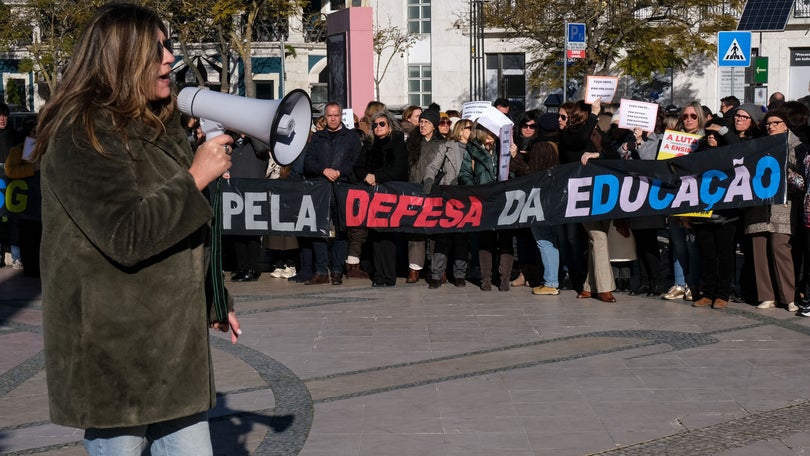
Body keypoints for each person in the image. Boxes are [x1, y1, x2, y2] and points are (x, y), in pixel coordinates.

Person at [35, 4, 241, 455]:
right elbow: (126, 235)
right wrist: (195, 178)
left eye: (167, 46)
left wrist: (212, 299)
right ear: (122, 58)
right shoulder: (81, 131)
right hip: (115, 355)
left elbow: (178, 234)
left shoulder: (157, 122)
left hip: (172, 348)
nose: (170, 57)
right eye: (158, 49)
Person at [748, 108, 802, 313]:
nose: (771, 126)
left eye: (775, 123)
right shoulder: (758, 145)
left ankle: (789, 297)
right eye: (768, 123)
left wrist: (785, 168)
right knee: (759, 249)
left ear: (786, 124)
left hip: (782, 206)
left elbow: (801, 180)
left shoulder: (797, 146)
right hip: (758, 207)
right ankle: (767, 295)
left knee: (780, 248)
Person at [303, 101, 361, 285]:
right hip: (321, 188)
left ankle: (337, 271)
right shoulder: (318, 137)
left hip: (342, 187)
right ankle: (321, 271)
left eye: (336, 115)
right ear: (325, 116)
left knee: (341, 230)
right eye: (329, 115)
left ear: (341, 116)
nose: (333, 118)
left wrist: (340, 171)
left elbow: (356, 161)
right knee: (318, 229)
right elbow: (308, 162)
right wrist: (323, 170)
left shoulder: (351, 137)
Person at [458, 122, 516, 291]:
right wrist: (476, 189)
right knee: (486, 241)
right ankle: (486, 279)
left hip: (504, 199)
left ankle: (504, 278)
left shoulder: (503, 148)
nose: (491, 134)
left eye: (494, 131)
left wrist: (514, 157)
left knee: (505, 240)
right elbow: (465, 174)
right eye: (487, 131)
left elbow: (514, 173)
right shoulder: (472, 149)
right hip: (484, 200)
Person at [355, 110, 408, 287]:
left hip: (391, 194)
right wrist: (367, 176)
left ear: (390, 125)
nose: (378, 127)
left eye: (382, 124)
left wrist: (376, 176)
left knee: (389, 235)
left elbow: (399, 169)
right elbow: (358, 167)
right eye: (375, 124)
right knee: (375, 236)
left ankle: (389, 275)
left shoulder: (398, 142)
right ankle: (378, 275)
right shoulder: (369, 144)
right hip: (372, 194)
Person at [224, 133, 269, 282]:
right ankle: (242, 266)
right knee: (237, 232)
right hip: (235, 193)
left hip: (254, 193)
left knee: (252, 233)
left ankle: (252, 267)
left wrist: (250, 132)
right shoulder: (232, 143)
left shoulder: (258, 141)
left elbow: (262, 149)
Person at [0, 101, 24, 269]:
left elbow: (29, 154)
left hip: (14, 181)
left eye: (5, 115)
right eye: (0, 115)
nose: (2, 118)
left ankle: (17, 256)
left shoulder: (17, 136)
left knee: (15, 218)